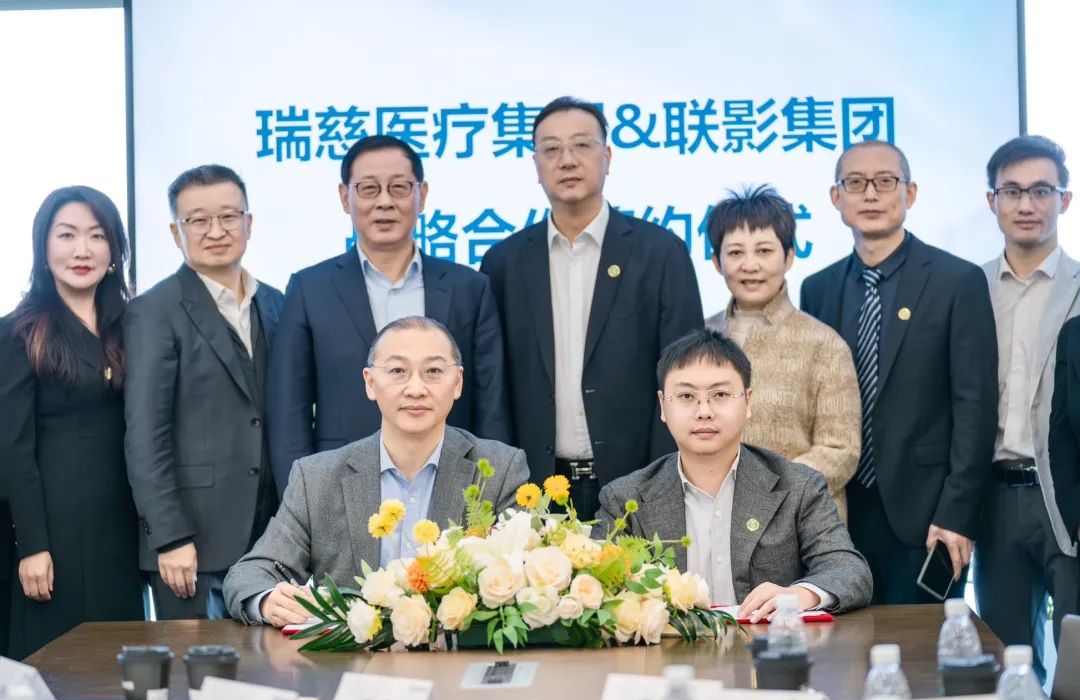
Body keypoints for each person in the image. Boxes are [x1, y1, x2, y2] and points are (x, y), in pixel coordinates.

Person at [480, 96, 704, 520]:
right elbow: (493, 389)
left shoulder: (660, 254)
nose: (567, 160)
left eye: (582, 145)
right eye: (551, 149)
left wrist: (663, 483)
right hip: (533, 491)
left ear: (607, 157)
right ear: (536, 165)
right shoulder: (503, 264)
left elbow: (685, 378)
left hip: (637, 487)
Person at [224, 317, 529, 627]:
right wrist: (268, 601)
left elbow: (526, 575)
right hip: (353, 653)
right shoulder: (317, 477)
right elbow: (250, 574)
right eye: (397, 371)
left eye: (433, 371)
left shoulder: (498, 470)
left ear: (458, 382)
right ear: (370, 383)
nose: (416, 389)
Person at [801, 140, 998, 604]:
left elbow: (976, 407)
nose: (871, 194)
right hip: (840, 515)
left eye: (885, 181)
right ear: (836, 197)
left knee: (921, 647)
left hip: (928, 517)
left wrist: (957, 513)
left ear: (909, 193)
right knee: (844, 645)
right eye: (856, 183)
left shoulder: (957, 281)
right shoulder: (818, 289)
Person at [268, 135, 510, 497]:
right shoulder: (309, 289)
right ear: (345, 197)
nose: (384, 202)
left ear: (421, 195)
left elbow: (491, 408)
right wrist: (303, 502)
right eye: (369, 188)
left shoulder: (469, 288)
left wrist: (490, 495)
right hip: (341, 490)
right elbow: (289, 413)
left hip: (453, 490)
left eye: (399, 187)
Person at [594, 329, 872, 618]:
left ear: (748, 402)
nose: (704, 411)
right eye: (687, 396)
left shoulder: (799, 486)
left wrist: (799, 595)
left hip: (765, 644)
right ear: (663, 406)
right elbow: (598, 585)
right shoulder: (625, 499)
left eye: (720, 395)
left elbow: (849, 570)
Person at [124, 165, 284, 620]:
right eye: (198, 220)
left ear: (249, 223)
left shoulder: (275, 302)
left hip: (270, 538)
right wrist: (170, 537)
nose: (216, 231)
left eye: (229, 216)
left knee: (269, 665)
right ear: (177, 233)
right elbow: (145, 435)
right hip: (191, 545)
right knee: (193, 667)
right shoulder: (153, 310)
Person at [0, 186, 142, 658]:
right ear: (43, 247)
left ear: (114, 250)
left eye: (97, 236)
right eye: (67, 235)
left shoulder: (137, 323)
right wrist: (32, 545)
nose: (82, 250)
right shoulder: (20, 331)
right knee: (57, 667)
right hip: (54, 531)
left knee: (123, 667)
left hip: (124, 530)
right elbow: (13, 448)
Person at [980, 135, 1079, 683]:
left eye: (1041, 190)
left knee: (1078, 659)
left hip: (1067, 494)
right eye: (1012, 191)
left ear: (1065, 199)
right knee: (1008, 662)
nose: (1026, 204)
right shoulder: (968, 289)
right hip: (994, 499)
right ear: (991, 200)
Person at [705, 185, 861, 523]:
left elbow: (841, 451)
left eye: (764, 251)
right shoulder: (698, 341)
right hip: (710, 520)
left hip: (801, 526)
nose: (750, 265)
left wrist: (764, 489)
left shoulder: (823, 344)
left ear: (789, 256)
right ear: (717, 262)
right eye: (735, 252)